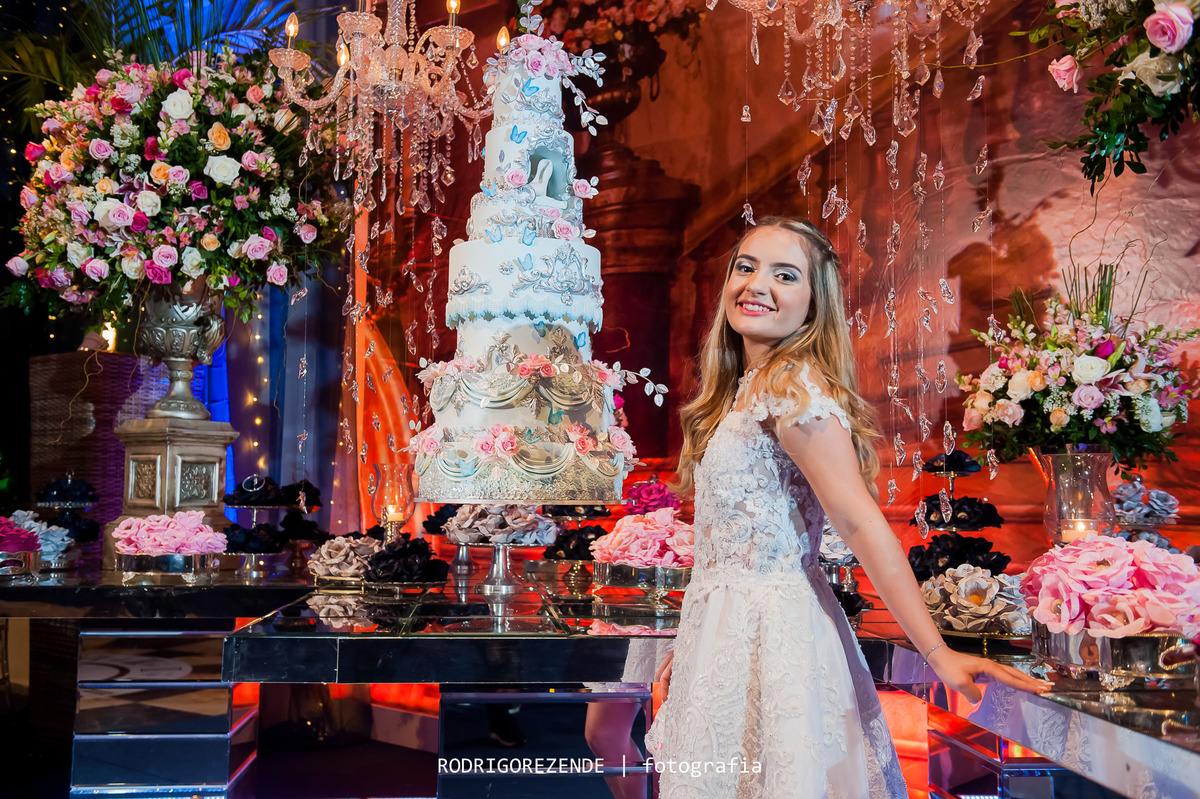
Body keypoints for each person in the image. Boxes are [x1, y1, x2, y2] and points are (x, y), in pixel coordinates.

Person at [643, 217, 1050, 797]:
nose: (757, 285)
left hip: (776, 638)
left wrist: (938, 652)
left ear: (814, 304)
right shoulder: (745, 389)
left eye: (785, 275)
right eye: (746, 267)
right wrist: (695, 642)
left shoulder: (793, 388)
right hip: (726, 638)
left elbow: (860, 523)